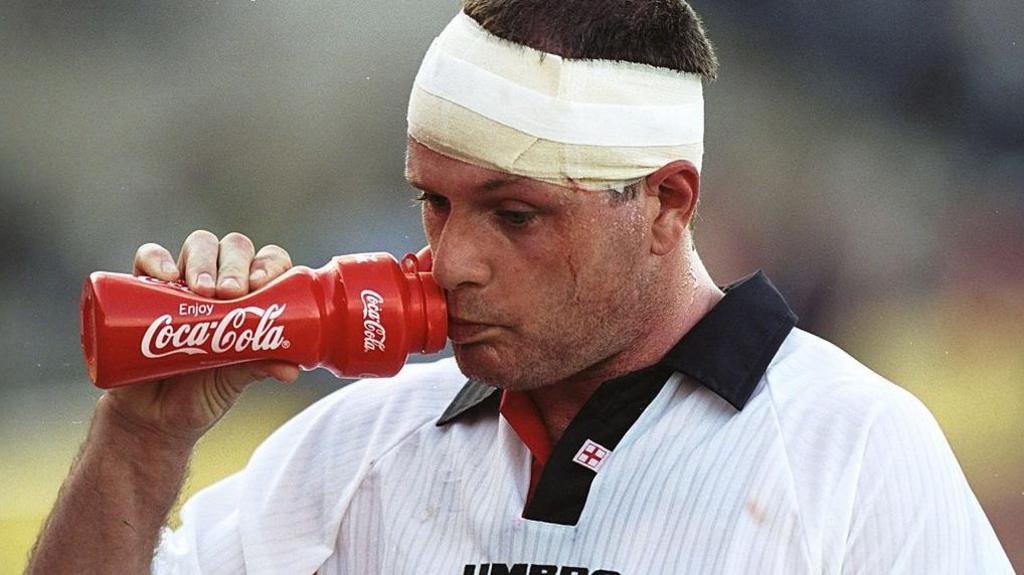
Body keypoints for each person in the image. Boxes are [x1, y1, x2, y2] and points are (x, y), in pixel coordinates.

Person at [30, 1, 1013, 573]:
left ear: (666, 202)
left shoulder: (847, 446)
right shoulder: (358, 446)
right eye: (434, 201)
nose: (452, 258)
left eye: (514, 214)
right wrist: (142, 437)